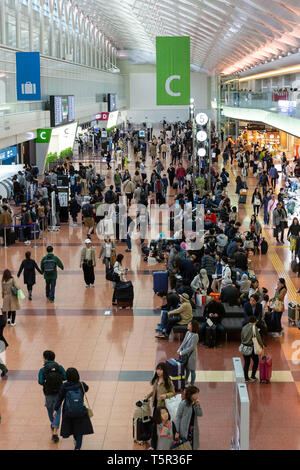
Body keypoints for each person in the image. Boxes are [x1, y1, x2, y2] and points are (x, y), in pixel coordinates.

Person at [53, 367, 94, 450]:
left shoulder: (64, 386)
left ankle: (75, 439)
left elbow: (60, 398)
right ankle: (78, 447)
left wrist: (56, 409)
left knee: (73, 427)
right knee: (80, 430)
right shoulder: (82, 385)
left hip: (68, 412)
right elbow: (87, 389)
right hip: (80, 411)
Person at [38, 350, 66, 444]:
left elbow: (40, 381)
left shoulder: (43, 370)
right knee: (57, 411)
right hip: (59, 392)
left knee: (50, 409)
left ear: (45, 358)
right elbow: (65, 377)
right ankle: (55, 431)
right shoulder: (59, 367)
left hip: (48, 393)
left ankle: (53, 423)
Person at [175, 385, 202, 450]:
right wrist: (177, 430)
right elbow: (178, 417)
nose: (197, 396)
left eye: (197, 394)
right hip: (184, 429)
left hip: (193, 428)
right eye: (195, 394)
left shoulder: (195, 403)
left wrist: (198, 406)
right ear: (191, 394)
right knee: (185, 446)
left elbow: (200, 414)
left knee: (193, 445)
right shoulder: (183, 404)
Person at [240, 316, 264, 382]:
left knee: (246, 362)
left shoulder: (244, 327)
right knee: (256, 361)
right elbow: (258, 338)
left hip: (244, 347)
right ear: (255, 321)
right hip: (251, 347)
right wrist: (262, 346)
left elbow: (241, 336)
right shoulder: (254, 327)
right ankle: (253, 376)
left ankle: (246, 378)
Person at [177, 320, 199, 386]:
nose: (188, 325)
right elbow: (183, 342)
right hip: (185, 354)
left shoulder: (195, 336)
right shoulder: (187, 333)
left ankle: (192, 383)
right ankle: (186, 380)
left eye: (189, 324)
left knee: (192, 370)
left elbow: (191, 347)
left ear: (193, 326)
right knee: (187, 369)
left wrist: (182, 352)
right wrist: (179, 349)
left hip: (191, 355)